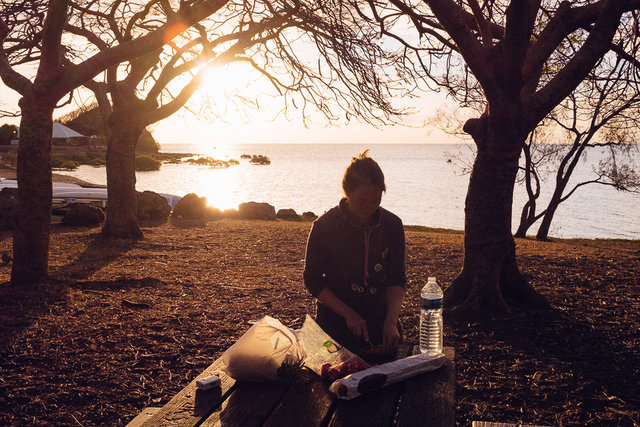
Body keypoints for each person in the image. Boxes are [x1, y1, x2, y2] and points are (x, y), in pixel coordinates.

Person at [303, 150, 406, 360]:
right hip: (334, 321)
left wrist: (391, 321)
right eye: (361, 201)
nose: (368, 208)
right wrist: (349, 314)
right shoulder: (324, 226)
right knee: (333, 371)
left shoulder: (392, 225)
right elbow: (312, 280)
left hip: (380, 320)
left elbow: (397, 278)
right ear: (347, 193)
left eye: (375, 200)